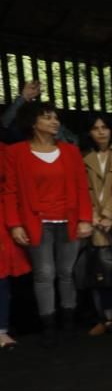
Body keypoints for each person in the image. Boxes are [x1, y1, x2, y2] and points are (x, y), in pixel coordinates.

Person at [4, 102, 93, 341]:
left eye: (56, 118)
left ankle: (68, 322)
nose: (55, 122)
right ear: (33, 123)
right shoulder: (16, 153)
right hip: (37, 222)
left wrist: (86, 219)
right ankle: (49, 326)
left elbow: (82, 188)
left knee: (66, 272)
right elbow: (10, 191)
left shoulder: (70, 151)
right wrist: (15, 224)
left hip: (69, 220)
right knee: (44, 273)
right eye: (47, 118)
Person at [81, 113, 112, 336]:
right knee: (99, 271)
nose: (100, 131)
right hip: (94, 222)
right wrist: (91, 214)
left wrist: (109, 214)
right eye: (95, 128)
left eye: (104, 127)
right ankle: (105, 318)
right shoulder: (83, 156)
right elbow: (80, 189)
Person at [0, 142, 32, 349]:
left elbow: (14, 186)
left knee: (1, 277)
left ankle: (1, 330)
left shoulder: (7, 151)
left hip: (4, 217)